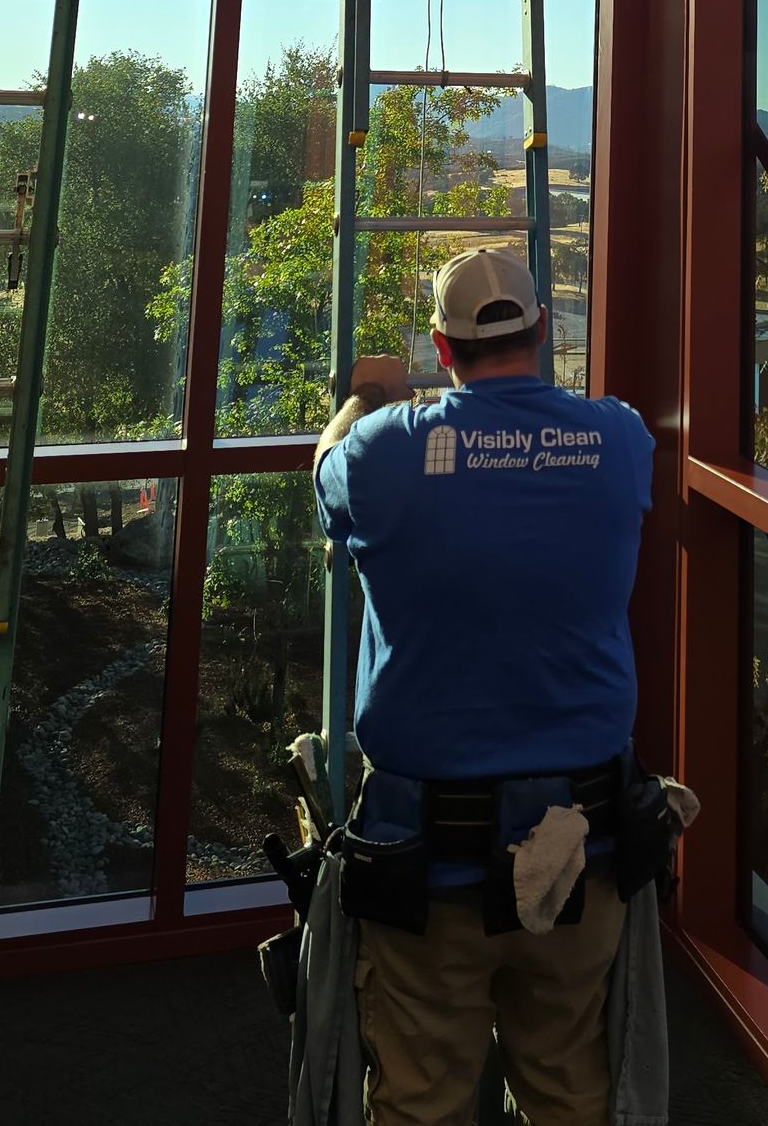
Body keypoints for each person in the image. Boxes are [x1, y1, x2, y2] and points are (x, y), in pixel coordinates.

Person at [313, 243, 656, 1126]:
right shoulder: (618, 441)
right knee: (572, 1088)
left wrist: (363, 398)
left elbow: (325, 475)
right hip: (585, 853)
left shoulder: (387, 453)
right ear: (543, 330)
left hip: (428, 867)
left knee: (422, 1097)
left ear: (440, 345)